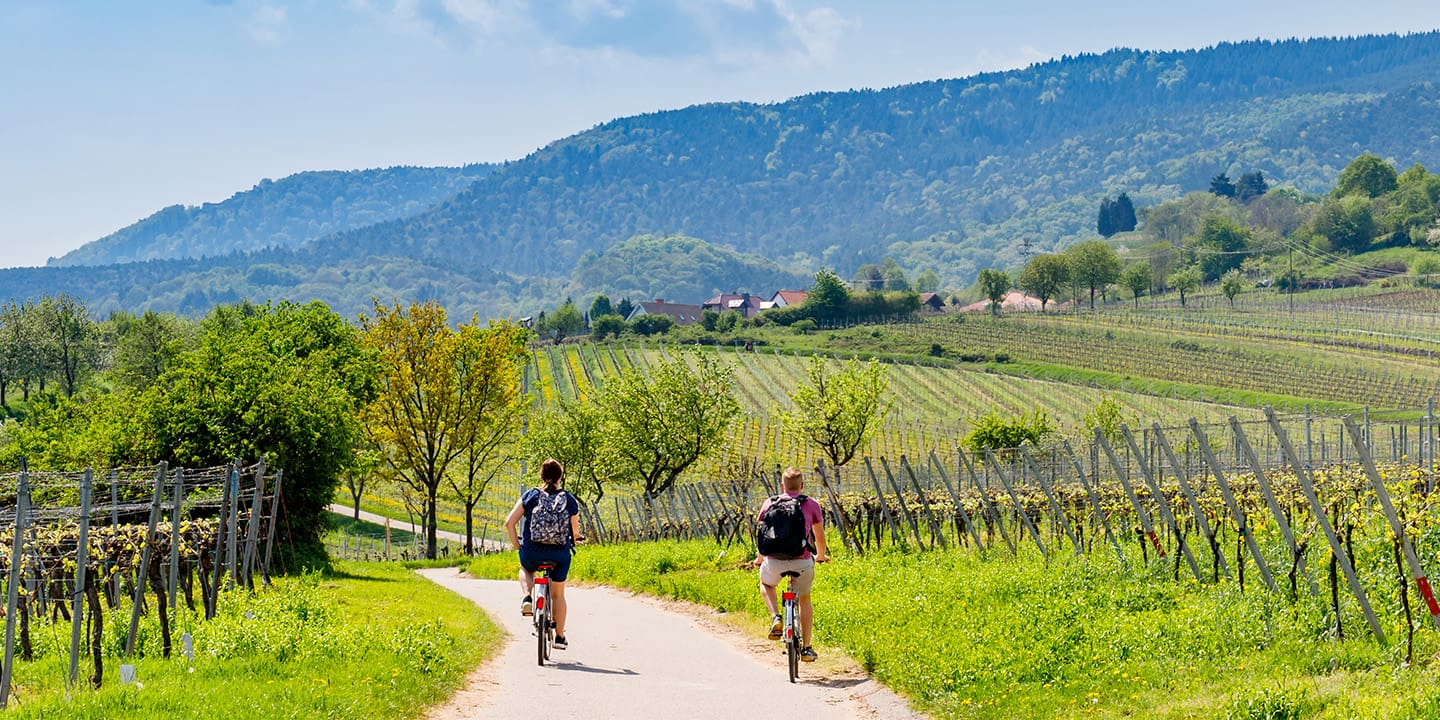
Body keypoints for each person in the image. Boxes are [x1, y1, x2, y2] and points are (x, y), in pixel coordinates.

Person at [754, 466, 829, 662]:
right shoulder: (811, 504)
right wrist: (821, 556)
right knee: (804, 599)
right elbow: (819, 537)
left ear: (782, 485)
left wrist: (759, 559)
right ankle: (807, 648)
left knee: (766, 584)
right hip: (801, 562)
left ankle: (776, 617)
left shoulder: (769, 502)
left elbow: (762, 535)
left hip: (774, 562)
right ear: (802, 485)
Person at [505, 458, 581, 650]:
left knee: (526, 568)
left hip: (532, 551)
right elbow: (575, 531)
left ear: (541, 475)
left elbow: (509, 523)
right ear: (560, 477)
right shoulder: (569, 499)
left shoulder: (531, 495)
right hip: (559, 555)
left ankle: (527, 598)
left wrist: (518, 546)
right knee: (558, 595)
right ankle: (560, 637)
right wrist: (578, 538)